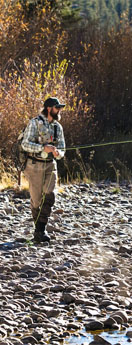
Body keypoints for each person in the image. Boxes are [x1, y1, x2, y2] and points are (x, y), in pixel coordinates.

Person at [21, 97, 66, 243]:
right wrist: (42, 148)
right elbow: (25, 144)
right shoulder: (34, 123)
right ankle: (38, 230)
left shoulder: (57, 127)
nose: (59, 110)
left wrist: (58, 153)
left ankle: (41, 230)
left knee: (49, 196)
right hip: (34, 165)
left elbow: (63, 148)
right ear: (49, 108)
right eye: (57, 107)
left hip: (50, 165)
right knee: (36, 200)